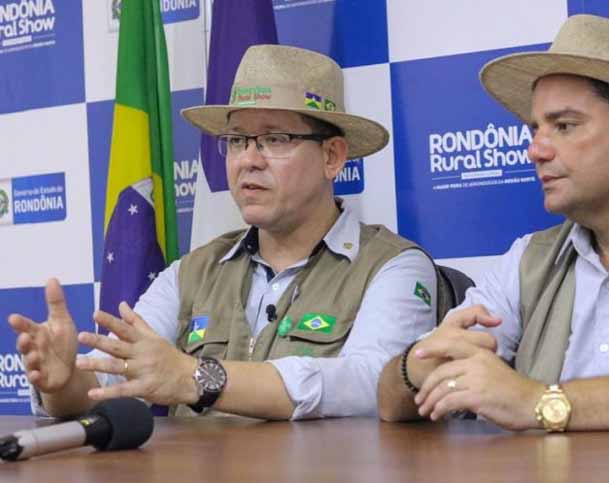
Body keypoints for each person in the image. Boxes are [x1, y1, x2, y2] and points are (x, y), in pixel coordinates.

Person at [9, 45, 438, 420]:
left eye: (275, 138)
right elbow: (112, 379)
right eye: (236, 140)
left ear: (332, 156)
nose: (248, 160)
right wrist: (62, 385)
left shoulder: (394, 266)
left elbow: (376, 386)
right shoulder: (192, 271)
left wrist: (199, 378)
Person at [377, 15, 609, 432]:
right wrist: (415, 367)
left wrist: (539, 402)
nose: (535, 150)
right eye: (535, 129)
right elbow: (390, 403)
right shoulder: (527, 260)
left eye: (564, 126)